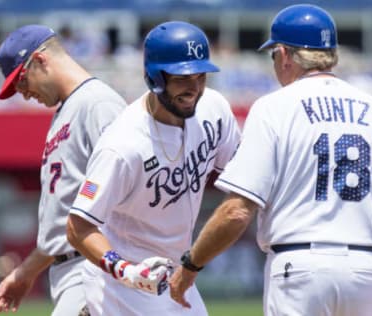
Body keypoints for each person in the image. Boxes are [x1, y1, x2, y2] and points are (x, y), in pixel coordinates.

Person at [169, 4, 372, 316]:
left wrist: (190, 264)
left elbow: (237, 212)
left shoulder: (274, 107)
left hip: (300, 267)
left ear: (283, 54)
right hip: (366, 270)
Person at [66, 21, 241, 315]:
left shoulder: (214, 109)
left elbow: (243, 177)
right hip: (124, 283)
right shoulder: (122, 145)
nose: (194, 87)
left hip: (177, 273)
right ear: (155, 76)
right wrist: (124, 270)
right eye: (183, 76)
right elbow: (78, 227)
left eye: (201, 75)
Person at [0, 25, 127, 315]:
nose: (24, 95)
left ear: (40, 60)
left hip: (93, 271)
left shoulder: (98, 103)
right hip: (70, 269)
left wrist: (112, 273)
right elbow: (63, 216)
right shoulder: (68, 109)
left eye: (22, 82)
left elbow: (129, 190)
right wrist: (26, 272)